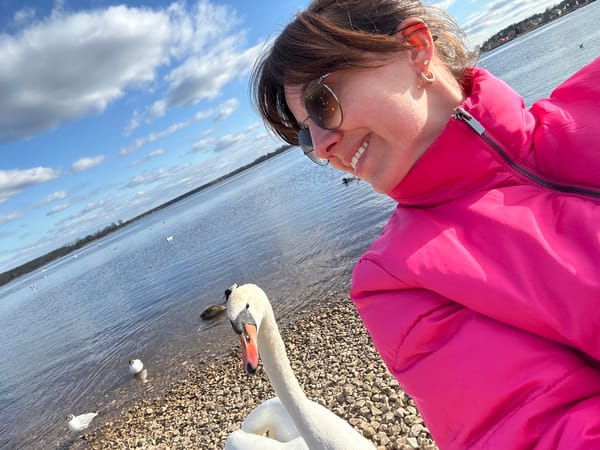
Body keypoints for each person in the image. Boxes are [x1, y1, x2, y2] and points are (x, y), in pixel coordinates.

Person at [251, 0, 600, 448]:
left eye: (322, 102)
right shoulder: (401, 281)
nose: (322, 148)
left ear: (416, 49)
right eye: (305, 136)